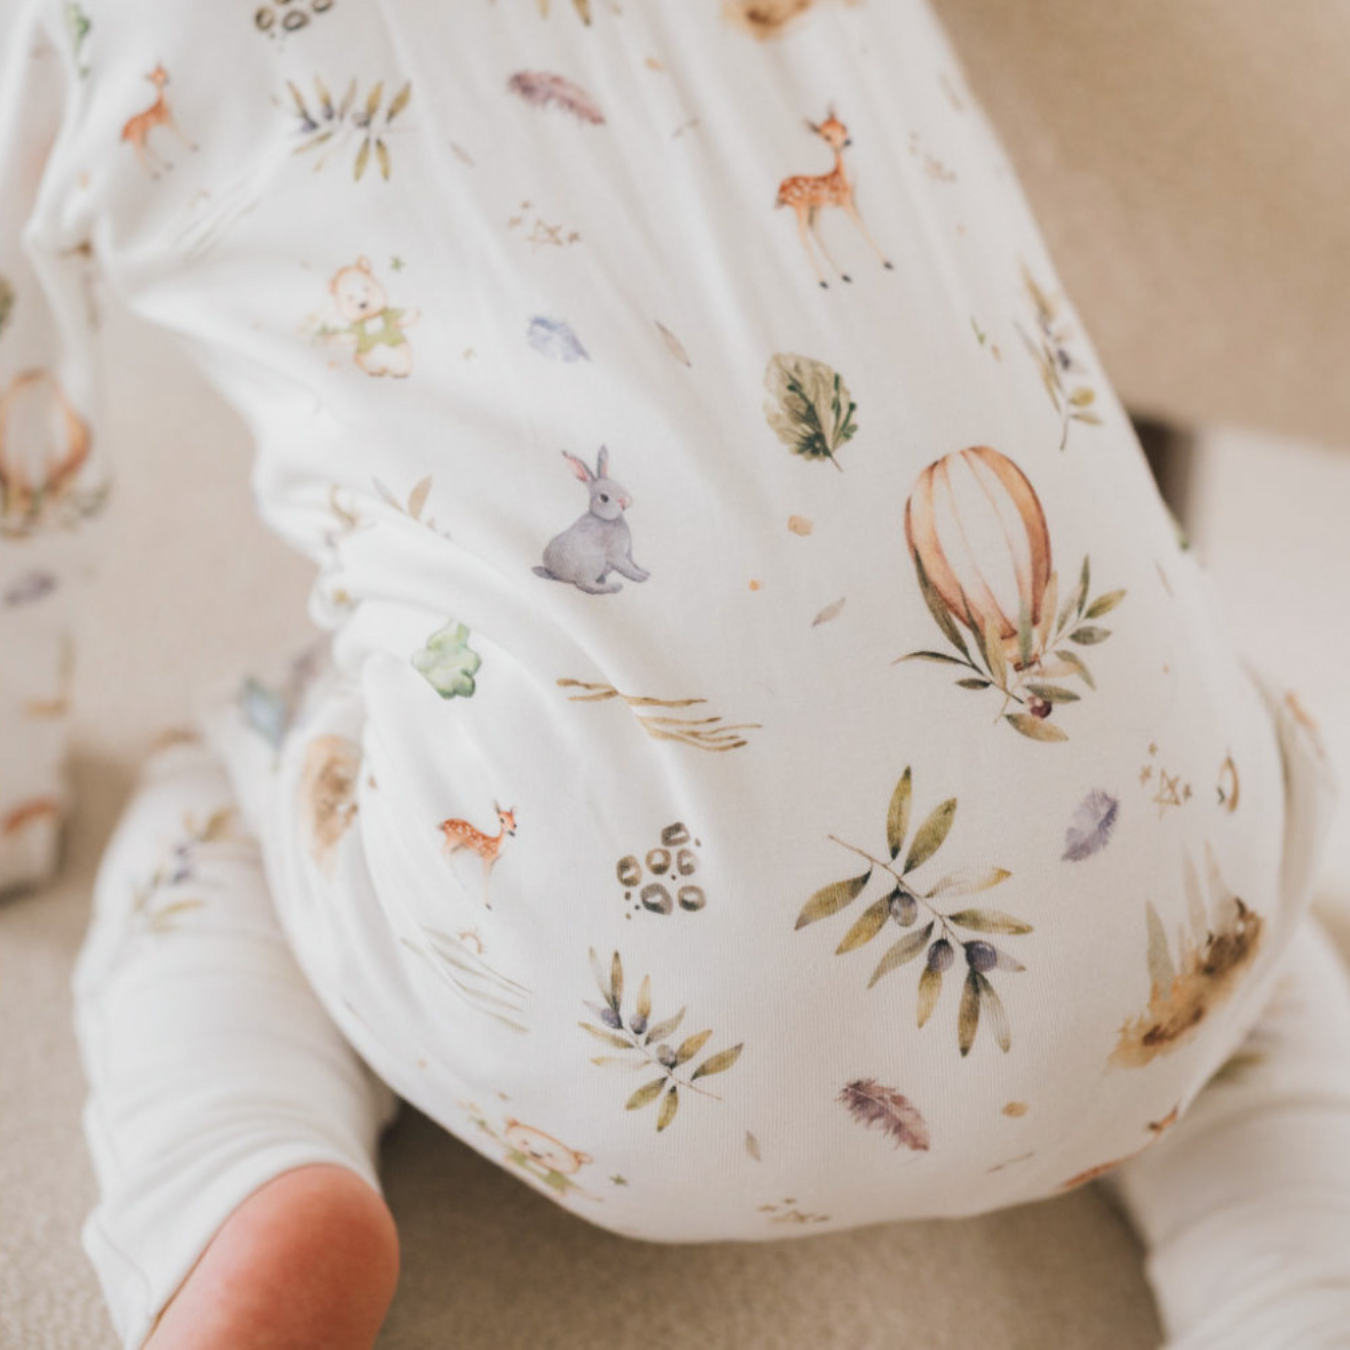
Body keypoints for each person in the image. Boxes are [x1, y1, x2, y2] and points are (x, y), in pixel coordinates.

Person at [2, 1, 1347, 1346]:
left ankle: (238, 1170)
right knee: (1222, 896)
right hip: (1167, 841)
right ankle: (1296, 1290)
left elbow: (24, 478)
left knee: (227, 781)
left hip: (596, 997)